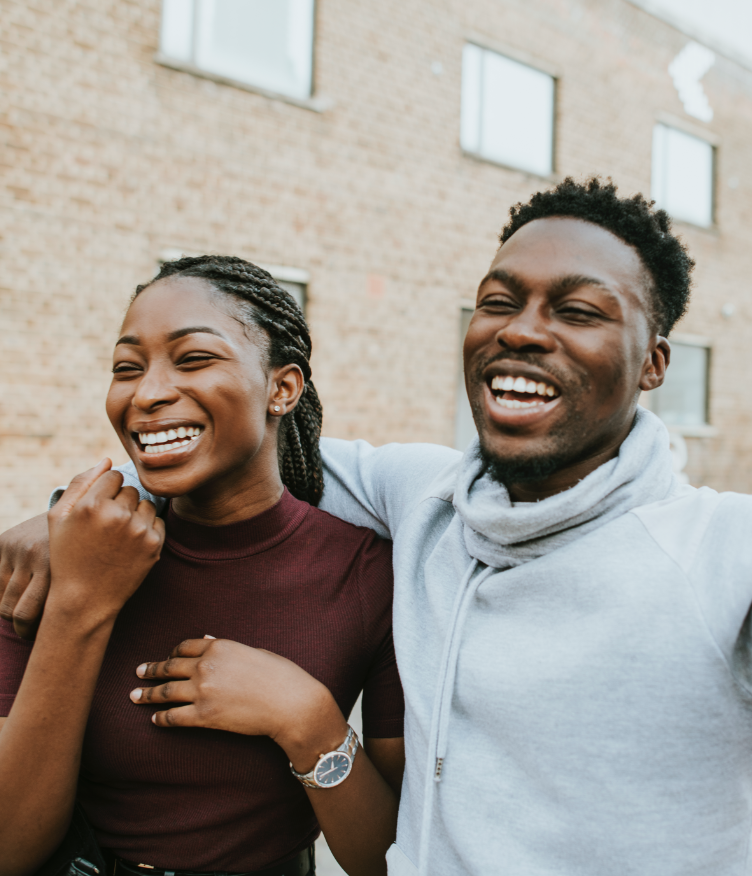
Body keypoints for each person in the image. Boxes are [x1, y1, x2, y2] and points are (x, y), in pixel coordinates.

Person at [3, 177, 751, 876]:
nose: (522, 333)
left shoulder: (718, 553)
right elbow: (236, 446)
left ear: (655, 364)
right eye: (497, 302)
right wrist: (82, 503)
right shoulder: (428, 499)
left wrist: (308, 718)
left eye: (580, 311)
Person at [0, 256, 406, 876]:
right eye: (125, 369)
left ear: (283, 389)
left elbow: (389, 861)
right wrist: (82, 603)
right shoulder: (51, 561)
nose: (148, 393)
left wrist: (307, 719)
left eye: (193, 359)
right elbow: (8, 848)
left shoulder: (371, 576)